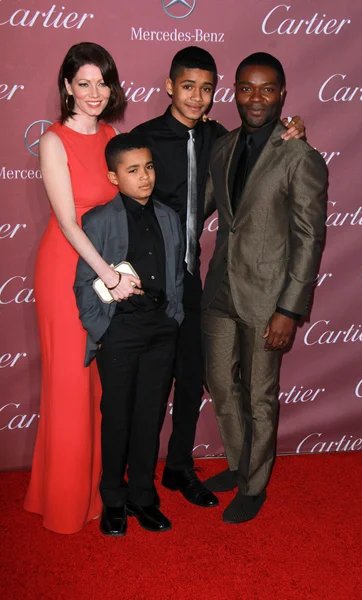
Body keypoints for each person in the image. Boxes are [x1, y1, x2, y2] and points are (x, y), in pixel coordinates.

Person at [131, 46, 305, 508]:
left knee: (223, 385)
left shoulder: (243, 142)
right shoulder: (159, 138)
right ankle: (160, 478)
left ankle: (216, 477)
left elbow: (301, 232)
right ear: (170, 87)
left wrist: (290, 309)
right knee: (183, 384)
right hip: (164, 282)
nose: (197, 97)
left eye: (206, 89)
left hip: (220, 285)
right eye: (188, 86)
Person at [202, 52, 328, 524]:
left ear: (282, 94)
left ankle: (255, 486)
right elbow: (206, 207)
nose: (256, 98)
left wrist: (288, 310)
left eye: (267, 88)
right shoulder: (225, 145)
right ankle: (238, 465)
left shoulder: (301, 156)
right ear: (233, 92)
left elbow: (309, 238)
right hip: (219, 290)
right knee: (220, 383)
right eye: (246, 88)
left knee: (258, 394)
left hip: (267, 296)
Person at [24, 43, 142, 535]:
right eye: (84, 83)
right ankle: (65, 503)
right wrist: (111, 277)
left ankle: (93, 490)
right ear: (67, 86)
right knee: (71, 385)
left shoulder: (114, 135)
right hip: (66, 271)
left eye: (102, 83)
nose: (95, 93)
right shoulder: (53, 141)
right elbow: (70, 224)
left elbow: (122, 211)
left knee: (98, 387)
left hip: (104, 270)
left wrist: (123, 268)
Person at [74, 134, 184, 536]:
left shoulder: (169, 217)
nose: (144, 177)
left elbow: (176, 277)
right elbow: (85, 285)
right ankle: (114, 501)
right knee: (117, 418)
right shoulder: (99, 221)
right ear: (113, 176)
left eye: (149, 167)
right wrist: (103, 329)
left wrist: (173, 319)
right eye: (133, 170)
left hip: (160, 330)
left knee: (150, 417)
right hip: (119, 332)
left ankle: (142, 495)